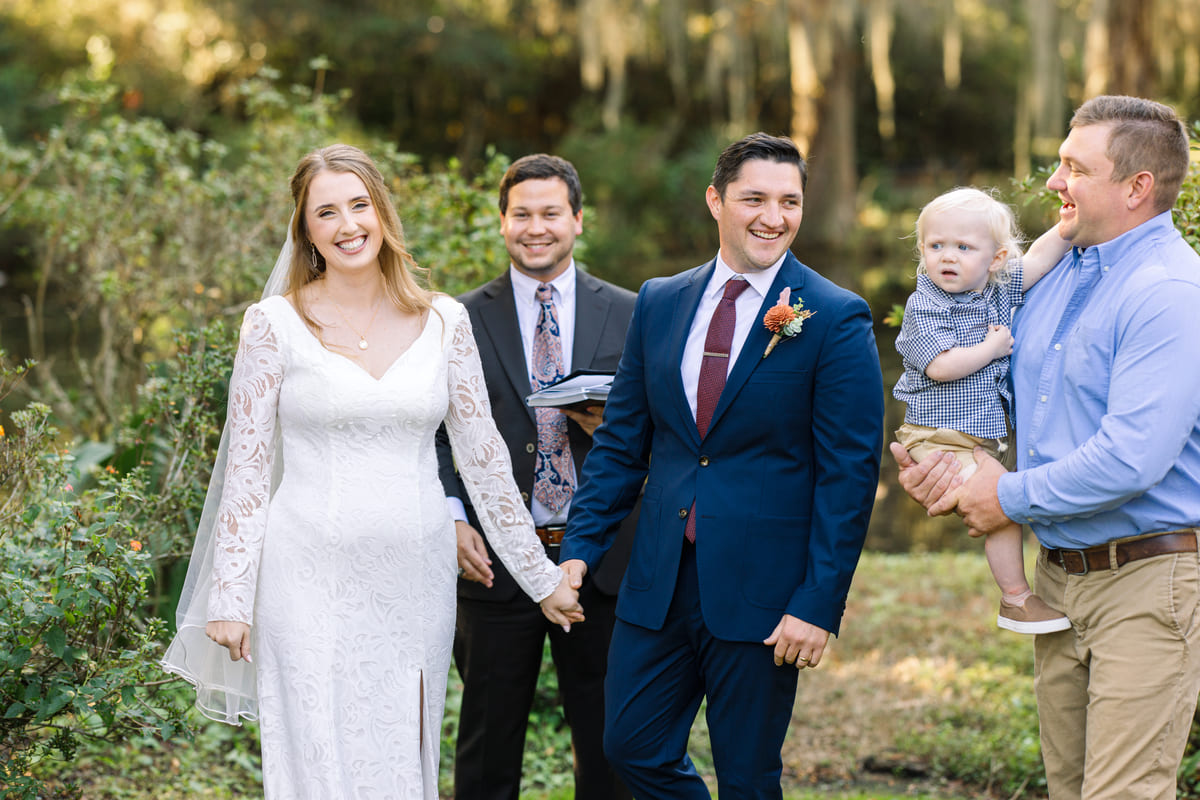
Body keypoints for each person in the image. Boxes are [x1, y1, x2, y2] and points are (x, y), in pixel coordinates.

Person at [160, 143, 583, 800]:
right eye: (326, 212)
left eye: (359, 205)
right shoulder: (273, 326)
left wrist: (540, 578)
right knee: (316, 755)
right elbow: (245, 470)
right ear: (306, 230)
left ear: (382, 212)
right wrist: (230, 597)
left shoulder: (445, 321)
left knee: (398, 752)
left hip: (413, 581)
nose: (347, 224)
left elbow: (486, 464)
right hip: (304, 577)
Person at [558, 132, 884, 798]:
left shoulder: (833, 316)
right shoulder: (660, 301)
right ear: (716, 200)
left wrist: (818, 603)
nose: (774, 216)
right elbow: (622, 444)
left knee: (747, 775)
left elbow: (848, 477)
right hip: (656, 581)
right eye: (754, 198)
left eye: (789, 201)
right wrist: (579, 550)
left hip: (764, 592)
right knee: (629, 746)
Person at [893, 95, 1200, 800]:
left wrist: (1001, 495)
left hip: (1148, 581)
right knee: (1068, 789)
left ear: (1136, 187)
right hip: (1057, 580)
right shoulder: (1054, 276)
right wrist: (942, 459)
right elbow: (995, 397)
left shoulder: (1169, 292)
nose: (1053, 182)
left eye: (1073, 167)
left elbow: (1132, 458)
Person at [435, 154, 635, 800]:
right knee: (487, 746)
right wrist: (454, 514)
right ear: (501, 223)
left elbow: (663, 428)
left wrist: (611, 427)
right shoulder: (456, 319)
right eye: (521, 214)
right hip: (494, 563)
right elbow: (432, 430)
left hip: (602, 560)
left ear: (578, 220)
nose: (536, 227)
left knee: (610, 746)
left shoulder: (633, 312)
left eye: (551, 213)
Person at [893, 187, 1070, 634]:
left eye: (963, 247)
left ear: (995, 260)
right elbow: (940, 366)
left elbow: (1039, 260)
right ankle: (1015, 599)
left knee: (1013, 500)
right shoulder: (926, 304)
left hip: (984, 437)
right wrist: (992, 347)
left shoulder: (996, 287)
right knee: (1002, 506)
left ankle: (1030, 591)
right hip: (937, 436)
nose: (946, 257)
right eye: (935, 246)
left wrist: (1069, 226)